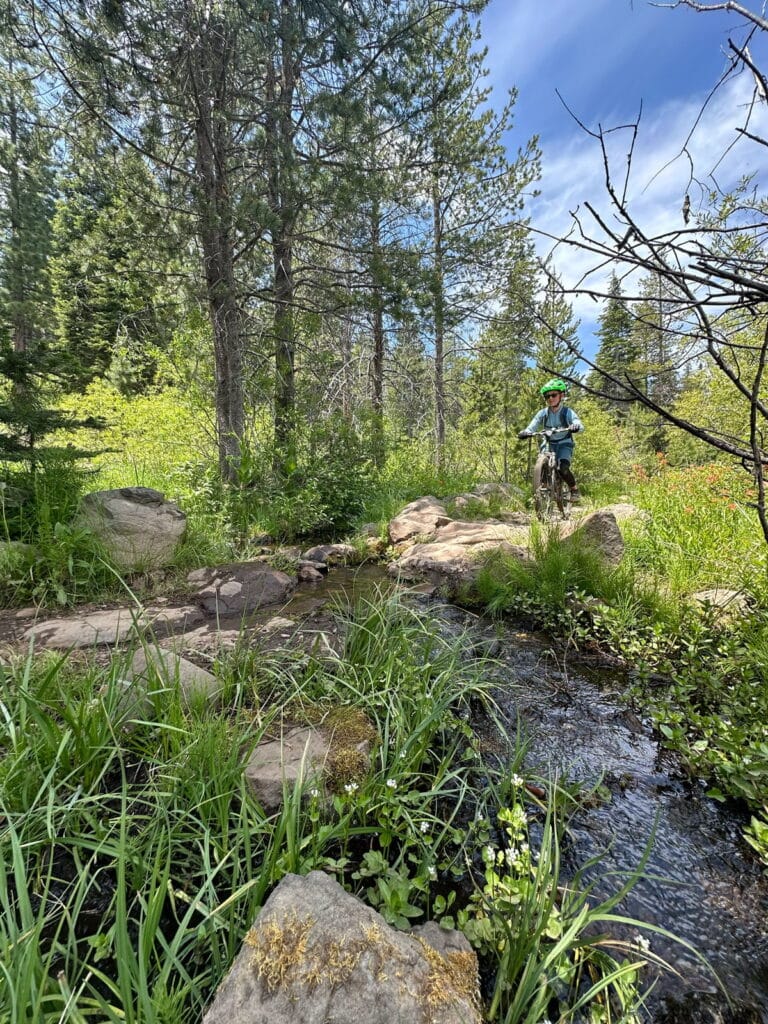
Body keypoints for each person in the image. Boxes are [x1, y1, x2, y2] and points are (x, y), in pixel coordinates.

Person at [518, 378, 584, 502]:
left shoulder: (567, 412)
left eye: (553, 395)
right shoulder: (543, 413)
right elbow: (533, 425)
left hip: (565, 443)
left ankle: (574, 489)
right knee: (541, 463)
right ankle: (544, 488)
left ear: (561, 395)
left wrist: (576, 426)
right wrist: (526, 432)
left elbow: (578, 423)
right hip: (548, 443)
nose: (550, 398)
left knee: (563, 468)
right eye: (547, 396)